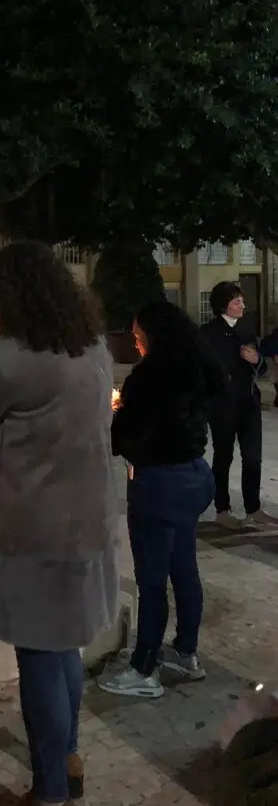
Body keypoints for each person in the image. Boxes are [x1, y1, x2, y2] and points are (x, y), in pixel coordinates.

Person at [0, 241, 119, 806]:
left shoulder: (8, 358)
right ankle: (68, 760)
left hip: (34, 530)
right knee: (65, 648)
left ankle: (49, 791)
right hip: (87, 522)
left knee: (40, 656)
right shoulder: (93, 347)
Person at [98, 301, 224, 699]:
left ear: (153, 336)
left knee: (152, 579)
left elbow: (122, 439)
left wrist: (117, 409)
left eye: (138, 337)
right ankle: (186, 653)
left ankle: (144, 668)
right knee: (184, 567)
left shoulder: (150, 377)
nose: (136, 344)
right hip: (194, 475)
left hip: (158, 483)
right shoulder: (198, 366)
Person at [201, 281, 274, 529]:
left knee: (253, 457)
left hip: (248, 402)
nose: (242, 306)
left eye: (242, 301)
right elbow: (202, 369)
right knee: (223, 456)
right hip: (222, 405)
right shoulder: (208, 333)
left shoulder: (246, 330)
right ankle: (222, 509)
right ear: (223, 305)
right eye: (236, 302)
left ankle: (253, 508)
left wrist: (256, 360)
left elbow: (262, 368)